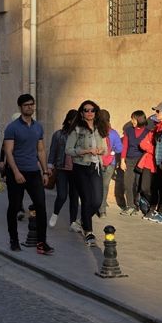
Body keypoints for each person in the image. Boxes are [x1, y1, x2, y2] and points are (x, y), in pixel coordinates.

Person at [3, 94, 53, 255]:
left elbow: (41, 150)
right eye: (26, 105)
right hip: (16, 173)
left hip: (33, 173)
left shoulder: (38, 127)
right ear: (20, 107)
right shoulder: (12, 128)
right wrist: (16, 172)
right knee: (14, 207)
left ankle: (42, 242)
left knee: (41, 207)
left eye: (32, 104)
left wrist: (45, 171)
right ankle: (14, 240)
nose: (30, 107)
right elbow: (8, 152)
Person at [65, 100, 108, 247]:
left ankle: (79, 222)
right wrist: (86, 151)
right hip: (81, 167)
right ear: (82, 113)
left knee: (97, 201)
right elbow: (68, 150)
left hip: (96, 166)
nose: (89, 113)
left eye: (92, 110)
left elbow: (105, 148)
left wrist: (101, 151)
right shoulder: (76, 129)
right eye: (86, 110)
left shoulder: (100, 128)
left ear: (96, 112)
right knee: (87, 199)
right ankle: (89, 232)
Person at [137, 102, 162, 222]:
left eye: (158, 111)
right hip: (156, 162)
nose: (155, 114)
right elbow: (143, 143)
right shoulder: (157, 128)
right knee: (150, 188)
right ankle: (154, 210)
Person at [47, 110, 80, 231]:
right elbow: (53, 151)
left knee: (74, 197)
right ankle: (55, 214)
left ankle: (73, 222)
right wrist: (49, 166)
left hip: (76, 169)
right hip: (61, 169)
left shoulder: (81, 135)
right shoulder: (58, 135)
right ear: (69, 121)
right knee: (62, 195)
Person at [118, 110, 149, 217]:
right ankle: (130, 206)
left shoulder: (147, 132)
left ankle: (137, 206)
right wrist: (122, 160)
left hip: (141, 161)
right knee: (128, 183)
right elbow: (125, 146)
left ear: (139, 119)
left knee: (138, 184)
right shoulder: (128, 130)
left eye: (134, 119)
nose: (132, 121)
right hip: (129, 160)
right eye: (132, 119)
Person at [97, 109, 123, 218]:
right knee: (105, 186)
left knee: (96, 186)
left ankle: (97, 205)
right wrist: (111, 152)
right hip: (110, 163)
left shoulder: (95, 132)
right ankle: (102, 210)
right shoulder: (113, 133)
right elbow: (119, 148)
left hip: (97, 162)